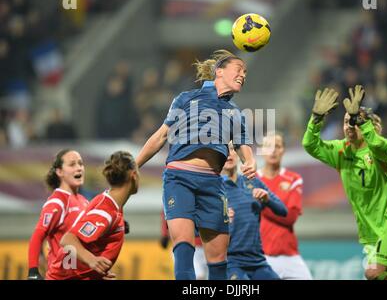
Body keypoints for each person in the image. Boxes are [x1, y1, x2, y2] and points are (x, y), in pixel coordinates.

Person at [136, 49, 256, 280]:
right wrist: (135, 165)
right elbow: (161, 136)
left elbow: (242, 144)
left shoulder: (234, 112)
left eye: (246, 72)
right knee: (183, 244)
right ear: (219, 72)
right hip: (179, 179)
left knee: (218, 258)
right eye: (239, 69)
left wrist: (249, 161)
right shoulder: (186, 98)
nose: (243, 75)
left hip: (213, 183)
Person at [302, 85, 387, 280]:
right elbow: (310, 145)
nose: (349, 126)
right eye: (346, 122)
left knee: (372, 273)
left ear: (364, 126)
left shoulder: (377, 152)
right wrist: (316, 119)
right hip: (371, 237)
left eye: (353, 122)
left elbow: (382, 148)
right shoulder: (340, 151)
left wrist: (361, 121)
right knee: (383, 277)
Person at [45, 151, 139, 280]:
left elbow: (92, 244)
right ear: (133, 175)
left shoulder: (109, 202)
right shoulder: (106, 211)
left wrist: (95, 272)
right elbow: (68, 239)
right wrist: (92, 261)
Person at [222, 145, 286, 280]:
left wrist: (267, 199)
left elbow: (283, 210)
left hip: (257, 261)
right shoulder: (214, 188)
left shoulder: (253, 181)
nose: (229, 154)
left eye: (233, 149)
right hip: (231, 263)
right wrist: (218, 217)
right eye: (224, 149)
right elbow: (196, 230)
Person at [257, 132, 313, 280]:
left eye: (278, 146)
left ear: (283, 150)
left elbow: (290, 217)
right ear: (261, 150)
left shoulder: (294, 179)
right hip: (260, 256)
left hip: (288, 256)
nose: (273, 150)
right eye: (268, 146)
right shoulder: (251, 180)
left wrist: (265, 203)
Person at [27, 149, 89, 280]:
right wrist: (33, 271)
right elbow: (37, 236)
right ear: (59, 172)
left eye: (80, 163)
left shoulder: (84, 201)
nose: (79, 168)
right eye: (72, 164)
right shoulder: (58, 202)